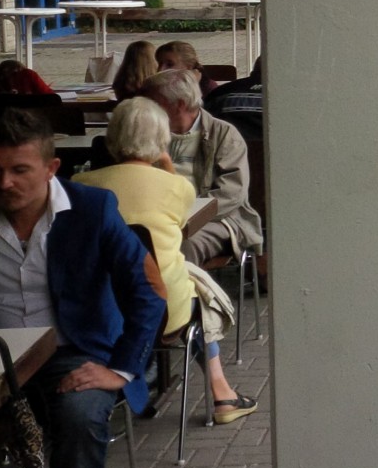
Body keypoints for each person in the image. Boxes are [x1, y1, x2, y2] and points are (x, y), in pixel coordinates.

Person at [0, 107, 165, 468]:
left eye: (19, 170)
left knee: (79, 418)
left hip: (73, 350)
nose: (4, 182)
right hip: (1, 354)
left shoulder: (92, 209)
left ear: (51, 167)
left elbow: (149, 291)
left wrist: (121, 369)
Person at [72, 97, 257, 424]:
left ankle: (143, 375)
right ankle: (222, 393)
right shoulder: (175, 187)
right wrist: (167, 165)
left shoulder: (80, 187)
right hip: (162, 313)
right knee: (196, 290)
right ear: (162, 139)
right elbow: (186, 213)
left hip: (100, 311)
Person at [139, 70, 263, 265]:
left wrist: (186, 218)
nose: (145, 109)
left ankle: (185, 295)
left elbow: (231, 194)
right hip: (158, 216)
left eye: (153, 103)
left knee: (183, 244)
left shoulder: (223, 134)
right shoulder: (147, 133)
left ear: (179, 104)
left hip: (217, 219)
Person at [203, 56, 263, 142]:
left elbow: (203, 124)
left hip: (225, 151)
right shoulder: (286, 99)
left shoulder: (221, 93)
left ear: (253, 71)